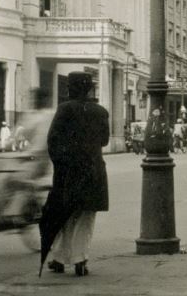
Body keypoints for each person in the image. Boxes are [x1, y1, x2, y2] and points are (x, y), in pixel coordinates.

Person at [39, 72, 109, 278]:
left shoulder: (64, 109)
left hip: (68, 170)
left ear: (70, 89)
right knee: (86, 216)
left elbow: (52, 140)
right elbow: (104, 140)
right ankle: (80, 261)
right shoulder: (100, 112)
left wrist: (60, 164)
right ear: (89, 89)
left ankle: (59, 259)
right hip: (93, 170)